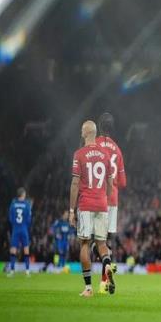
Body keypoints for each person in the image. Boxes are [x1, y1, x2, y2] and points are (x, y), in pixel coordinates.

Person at [70, 120, 114, 297]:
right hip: (102, 204)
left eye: (82, 130)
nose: (81, 132)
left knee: (85, 243)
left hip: (86, 204)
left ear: (87, 133)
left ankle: (88, 288)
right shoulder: (105, 154)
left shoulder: (79, 154)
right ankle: (107, 264)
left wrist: (71, 210)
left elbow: (75, 183)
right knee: (102, 243)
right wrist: (105, 199)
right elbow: (110, 183)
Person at [94, 112, 127, 293]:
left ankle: (105, 270)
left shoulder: (94, 145)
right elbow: (123, 183)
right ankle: (103, 282)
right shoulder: (117, 149)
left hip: (97, 197)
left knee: (95, 241)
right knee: (107, 241)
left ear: (99, 127)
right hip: (113, 199)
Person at [7, 187, 32, 277]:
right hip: (24, 228)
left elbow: (10, 217)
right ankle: (27, 271)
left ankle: (12, 271)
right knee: (26, 249)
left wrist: (14, 224)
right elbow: (29, 218)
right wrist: (25, 225)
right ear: (23, 194)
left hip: (16, 228)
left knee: (13, 249)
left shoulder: (13, 203)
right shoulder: (27, 204)